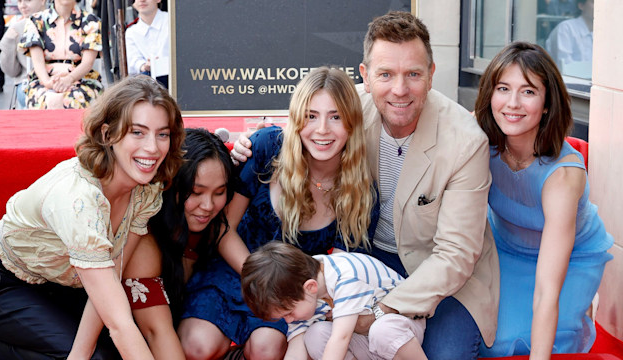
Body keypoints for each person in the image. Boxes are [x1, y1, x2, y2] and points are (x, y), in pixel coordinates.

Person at [232, 11, 500, 359]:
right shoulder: (348, 109)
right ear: (366, 76)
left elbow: (456, 255)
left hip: (441, 274)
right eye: (385, 74)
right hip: (365, 259)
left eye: (413, 74)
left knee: (438, 354)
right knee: (323, 338)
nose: (399, 90)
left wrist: (380, 311)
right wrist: (249, 143)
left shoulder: (465, 142)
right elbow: (304, 125)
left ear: (431, 75)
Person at [181, 66, 378, 360]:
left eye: (335, 117)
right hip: (235, 268)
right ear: (297, 119)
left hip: (290, 294)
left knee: (266, 349)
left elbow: (336, 274)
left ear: (352, 123)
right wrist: (261, 277)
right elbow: (224, 228)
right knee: (198, 345)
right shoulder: (267, 146)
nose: (322, 129)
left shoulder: (361, 192)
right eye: (311, 116)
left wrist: (283, 293)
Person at [0, 75, 186, 359]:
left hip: (64, 284)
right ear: (107, 135)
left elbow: (110, 282)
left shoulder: (145, 191)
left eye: (162, 134)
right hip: (1, 280)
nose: (153, 148)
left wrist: (80, 354)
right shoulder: (78, 200)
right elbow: (119, 324)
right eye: (137, 132)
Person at [475, 41, 613, 357]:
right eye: (502, 88)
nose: (512, 103)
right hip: (505, 247)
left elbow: (547, 290)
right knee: (486, 339)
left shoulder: (563, 177)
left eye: (528, 92)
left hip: (570, 259)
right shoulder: (479, 137)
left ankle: (579, 320)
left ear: (547, 103)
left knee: (533, 343)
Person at [120, 127, 236, 360]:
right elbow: (155, 332)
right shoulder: (144, 241)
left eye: (219, 192)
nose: (208, 205)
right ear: (170, 185)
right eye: (196, 192)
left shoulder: (222, 228)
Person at [242, 241, 426, 360]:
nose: (289, 320)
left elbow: (341, 338)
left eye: (289, 313)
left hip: (401, 330)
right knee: (315, 334)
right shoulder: (300, 284)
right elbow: (296, 346)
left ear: (310, 287)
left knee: (383, 331)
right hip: (365, 339)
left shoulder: (346, 277)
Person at [19, 0, 103, 109]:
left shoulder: (91, 21)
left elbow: (87, 63)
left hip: (82, 79)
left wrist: (69, 79)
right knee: (43, 99)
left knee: (73, 99)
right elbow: (37, 61)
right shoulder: (36, 20)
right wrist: (48, 82)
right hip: (44, 80)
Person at [0, 0, 47, 108]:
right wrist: (9, 43)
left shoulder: (56, 23)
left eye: (28, 0)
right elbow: (12, 72)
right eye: (19, 1)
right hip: (27, 82)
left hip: (57, 80)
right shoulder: (16, 29)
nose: (23, 5)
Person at [126, 0, 169, 88]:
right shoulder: (131, 32)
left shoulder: (172, 21)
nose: (142, 0)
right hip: (147, 82)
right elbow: (134, 62)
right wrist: (145, 66)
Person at [545, 0, 593, 76]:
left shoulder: (603, 34)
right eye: (593, 2)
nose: (598, 7)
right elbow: (564, 67)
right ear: (581, 5)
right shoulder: (566, 29)